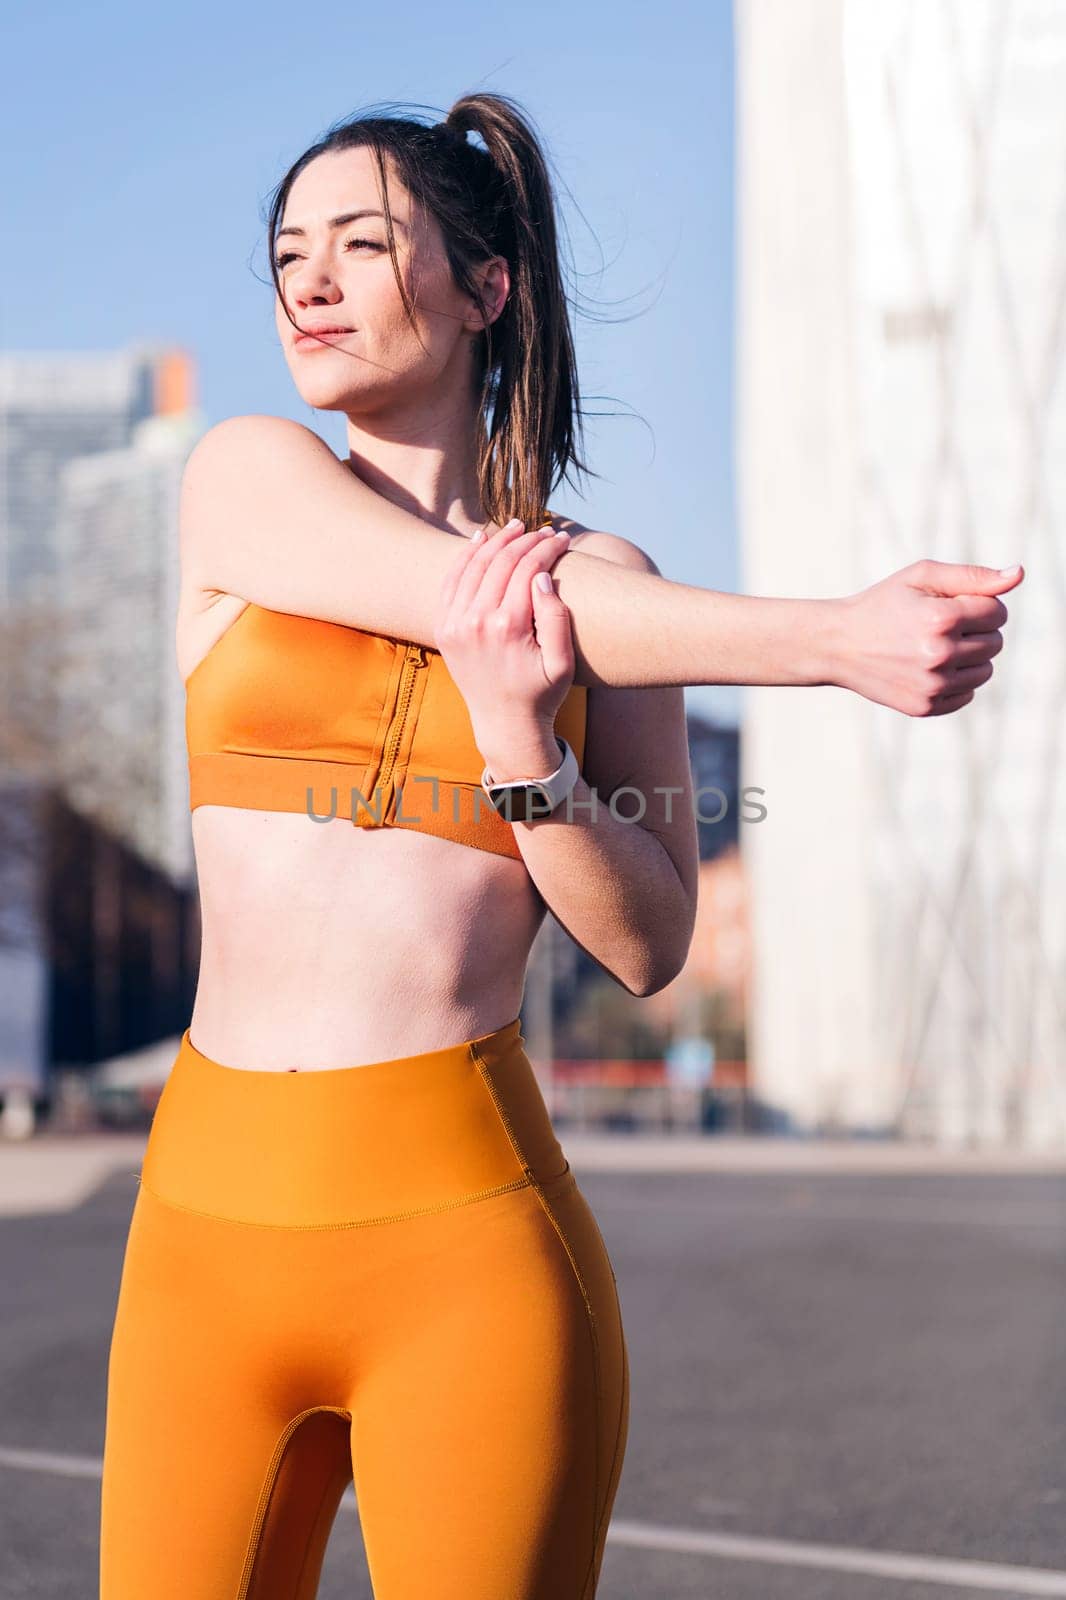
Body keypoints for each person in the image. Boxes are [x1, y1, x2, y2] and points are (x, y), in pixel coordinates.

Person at [99, 93, 1019, 1600]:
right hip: (203, 1238)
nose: (309, 282)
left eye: (362, 244)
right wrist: (835, 637)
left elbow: (649, 947)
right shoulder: (246, 482)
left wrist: (528, 753)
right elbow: (489, 604)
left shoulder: (611, 584)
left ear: (484, 290)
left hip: (469, 1248)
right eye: (287, 255)